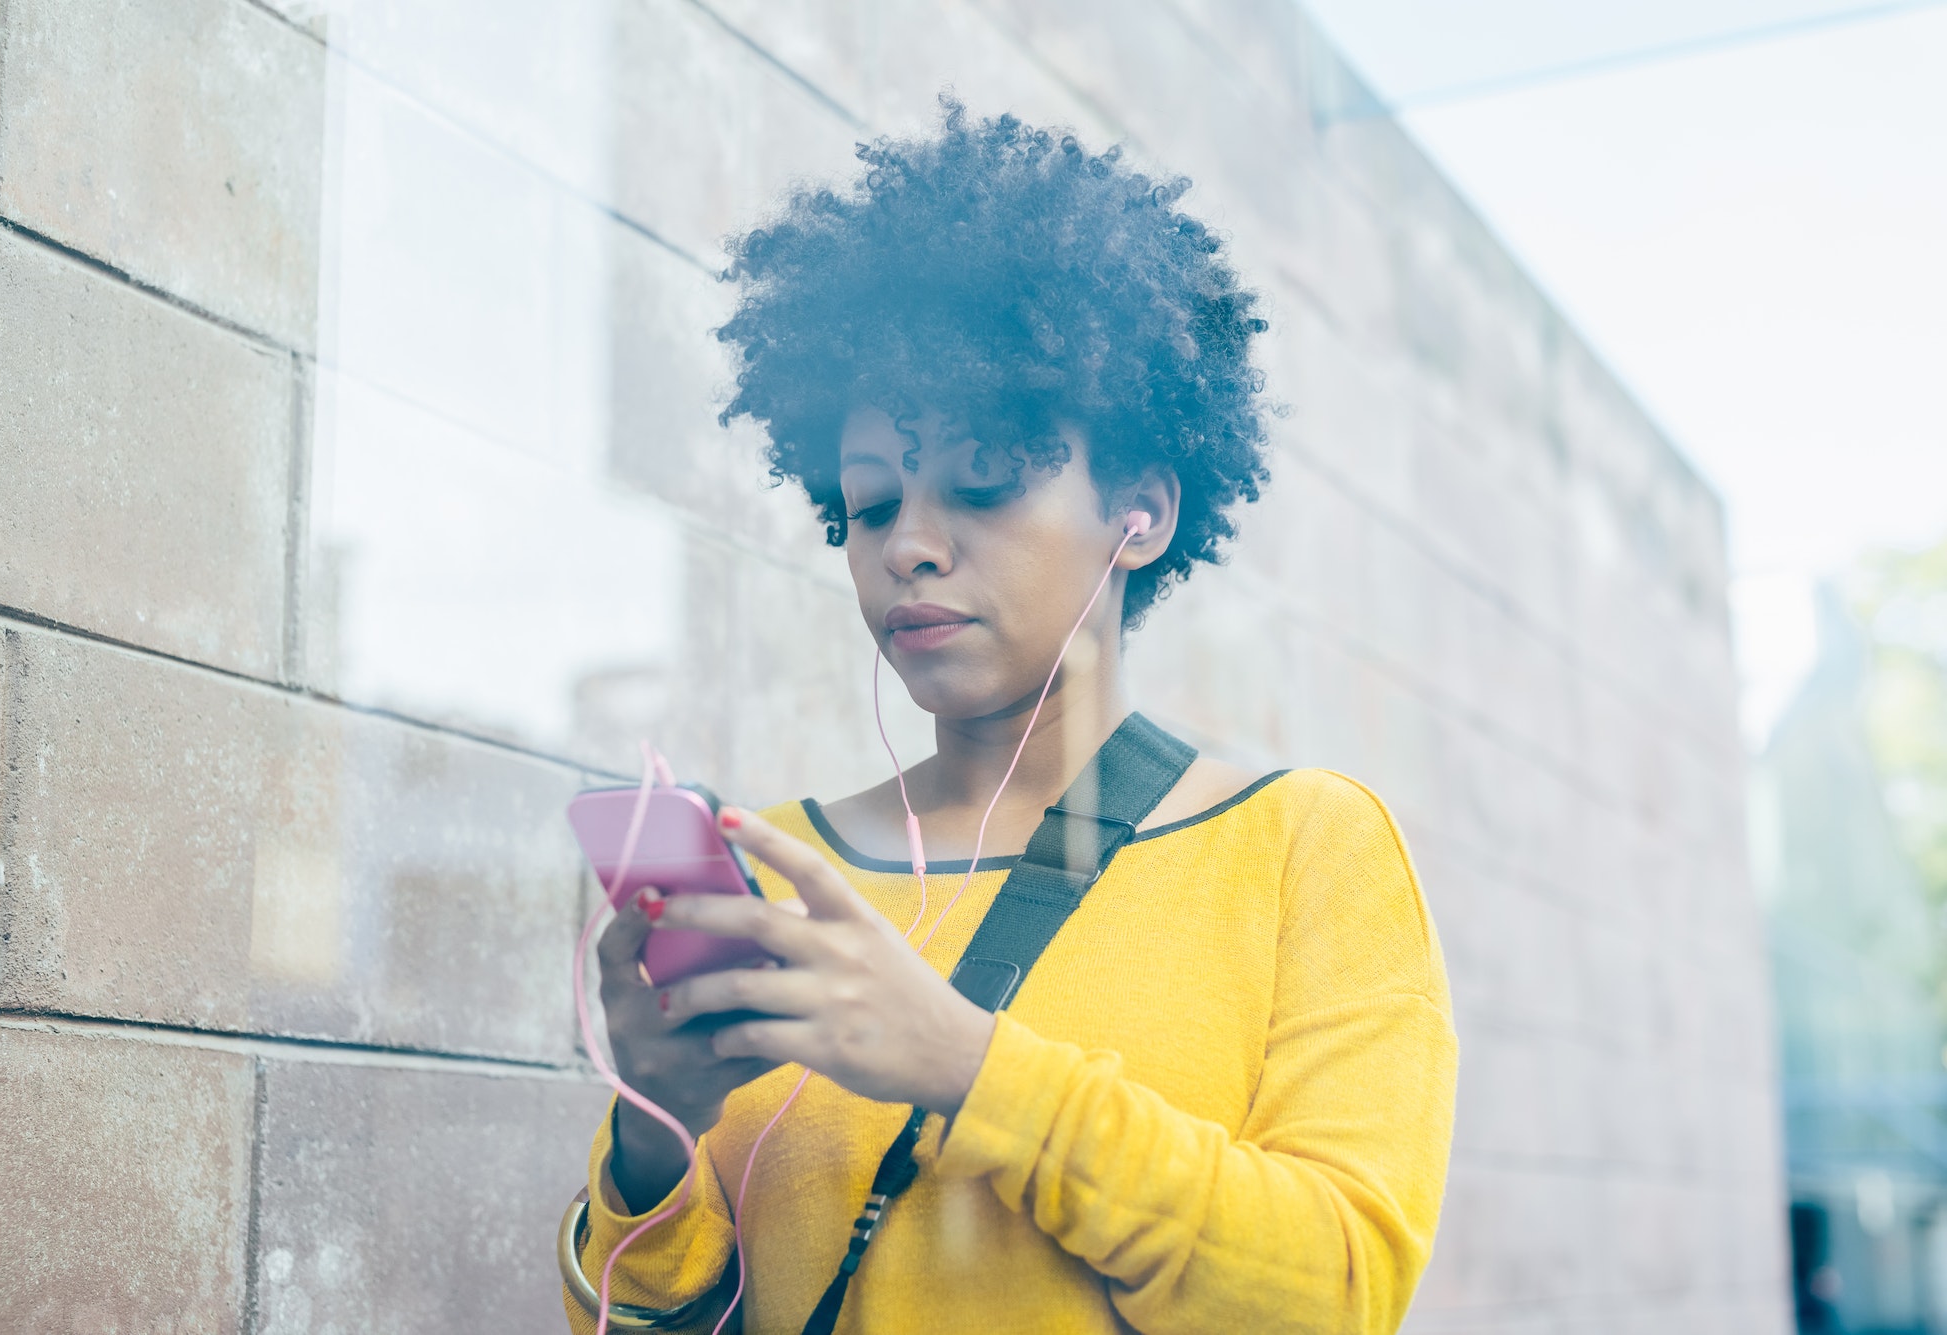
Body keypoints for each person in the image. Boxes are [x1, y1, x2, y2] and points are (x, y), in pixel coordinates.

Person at [562, 102, 1457, 1334]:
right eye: (869, 507)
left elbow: (1335, 1291)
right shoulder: (777, 872)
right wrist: (654, 1134)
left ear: (1140, 513)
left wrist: (965, 1066)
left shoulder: (1303, 847)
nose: (909, 547)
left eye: (981, 484)